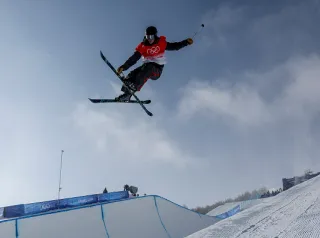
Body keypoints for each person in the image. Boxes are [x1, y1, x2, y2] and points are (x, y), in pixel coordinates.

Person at [115, 26, 194, 101]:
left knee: (149, 67)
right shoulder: (143, 46)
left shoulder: (161, 43)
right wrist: (124, 67)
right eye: (147, 37)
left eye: (151, 37)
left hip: (157, 70)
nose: (149, 39)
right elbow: (134, 58)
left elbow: (175, 46)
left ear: (155, 36)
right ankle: (127, 95)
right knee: (133, 74)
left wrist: (186, 42)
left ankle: (134, 87)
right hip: (146, 67)